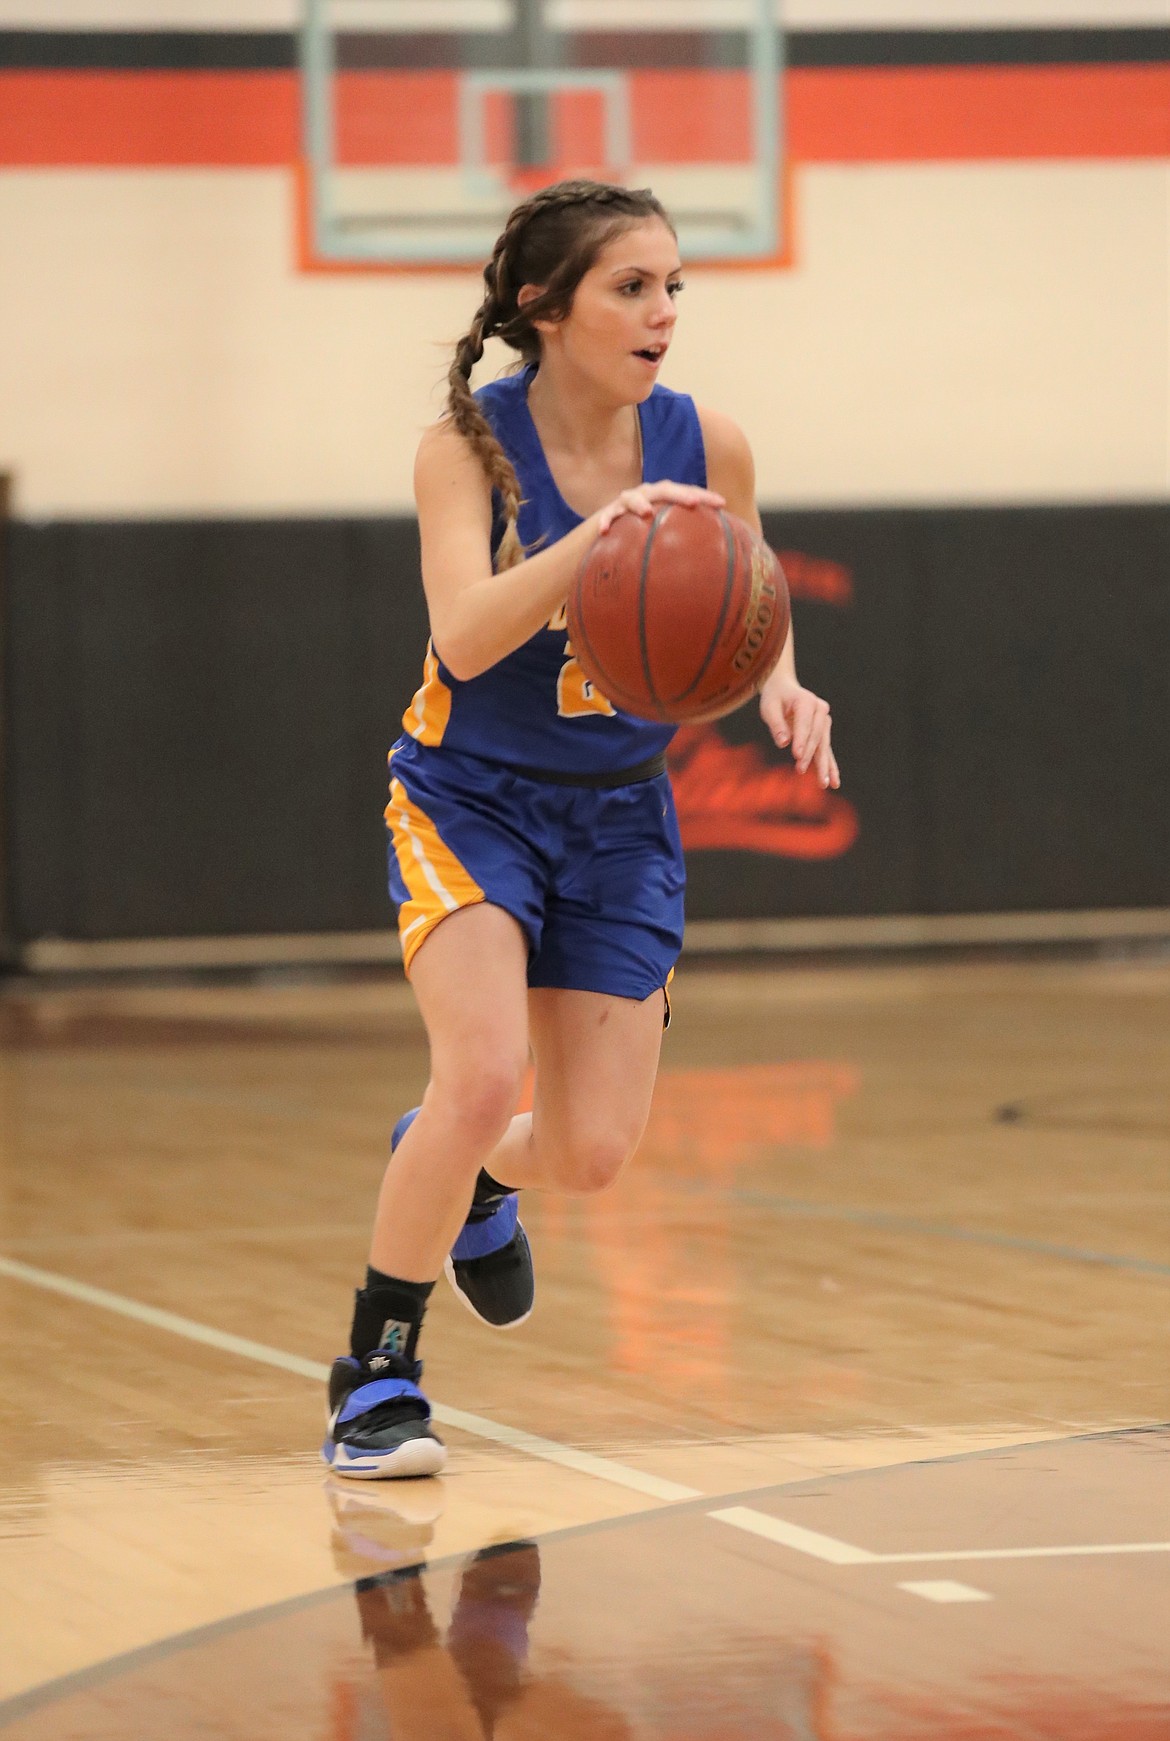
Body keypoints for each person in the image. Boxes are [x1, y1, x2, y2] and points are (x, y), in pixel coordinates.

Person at [323, 180, 838, 1478]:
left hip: (619, 814)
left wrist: (779, 685)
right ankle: (376, 1372)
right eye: (632, 287)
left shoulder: (707, 440)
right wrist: (598, 542)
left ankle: (472, 1173)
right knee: (484, 1066)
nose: (663, 311)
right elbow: (462, 632)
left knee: (594, 1153)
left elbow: (745, 604)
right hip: (469, 795)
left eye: (673, 286)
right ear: (546, 310)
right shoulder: (467, 446)